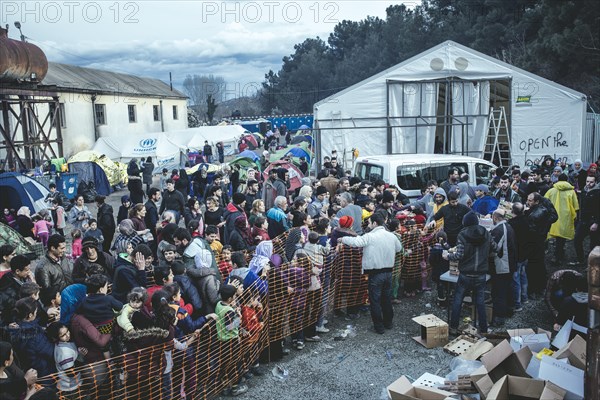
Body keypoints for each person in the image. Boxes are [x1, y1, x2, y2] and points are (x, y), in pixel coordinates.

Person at [339, 212, 404, 334]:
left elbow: (356, 242)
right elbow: (399, 249)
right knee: (386, 299)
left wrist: (342, 239)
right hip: (389, 272)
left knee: (375, 301)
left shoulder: (370, 236)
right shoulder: (391, 236)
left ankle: (379, 327)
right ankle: (388, 323)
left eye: (369, 222)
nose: (368, 225)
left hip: (375, 274)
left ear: (374, 223)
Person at [444, 211, 495, 335]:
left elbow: (459, 255)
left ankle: (454, 328)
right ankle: (483, 329)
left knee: (457, 300)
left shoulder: (462, 234)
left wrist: (448, 255)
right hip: (481, 274)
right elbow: (495, 248)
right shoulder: (486, 233)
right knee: (480, 302)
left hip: (465, 274)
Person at [215, 284, 248, 396]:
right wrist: (238, 318)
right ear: (230, 299)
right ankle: (235, 387)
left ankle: (225, 386)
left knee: (225, 363)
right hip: (231, 341)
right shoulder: (229, 310)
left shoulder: (219, 305)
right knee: (235, 364)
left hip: (221, 340)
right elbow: (229, 326)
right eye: (234, 296)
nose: (235, 298)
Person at [489, 209, 516, 326]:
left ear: (495, 218)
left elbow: (495, 249)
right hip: (510, 263)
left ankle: (499, 318)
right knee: (507, 288)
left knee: (498, 291)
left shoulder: (499, 230)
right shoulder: (508, 227)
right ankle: (509, 310)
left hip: (502, 265)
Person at [544, 173, 579, 263]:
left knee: (556, 235)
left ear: (558, 180)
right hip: (566, 217)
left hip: (553, 217)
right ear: (567, 180)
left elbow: (544, 201)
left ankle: (557, 255)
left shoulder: (551, 190)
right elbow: (576, 206)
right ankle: (560, 254)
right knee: (562, 237)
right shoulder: (571, 192)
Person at [572, 174, 599, 265]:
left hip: (593, 221)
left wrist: (596, 222)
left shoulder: (597, 193)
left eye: (591, 182)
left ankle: (592, 263)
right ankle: (580, 259)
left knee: (594, 243)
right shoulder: (584, 191)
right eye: (587, 181)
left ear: (595, 182)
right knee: (577, 240)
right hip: (583, 221)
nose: (589, 184)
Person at [35, 234, 73, 300]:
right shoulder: (43, 267)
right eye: (62, 248)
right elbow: (46, 292)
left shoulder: (63, 258)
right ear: (53, 248)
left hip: (69, 296)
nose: (65, 250)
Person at [0, 254, 34, 325]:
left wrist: (32, 280)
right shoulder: (7, 284)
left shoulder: (24, 277)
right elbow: (12, 304)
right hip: (14, 319)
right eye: (27, 270)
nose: (29, 272)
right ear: (17, 271)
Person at [508, 202, 530, 312]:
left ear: (512, 211)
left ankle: (517, 303)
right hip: (525, 253)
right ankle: (524, 298)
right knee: (523, 275)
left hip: (516, 255)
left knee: (515, 279)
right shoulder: (527, 220)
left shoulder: (512, 223)